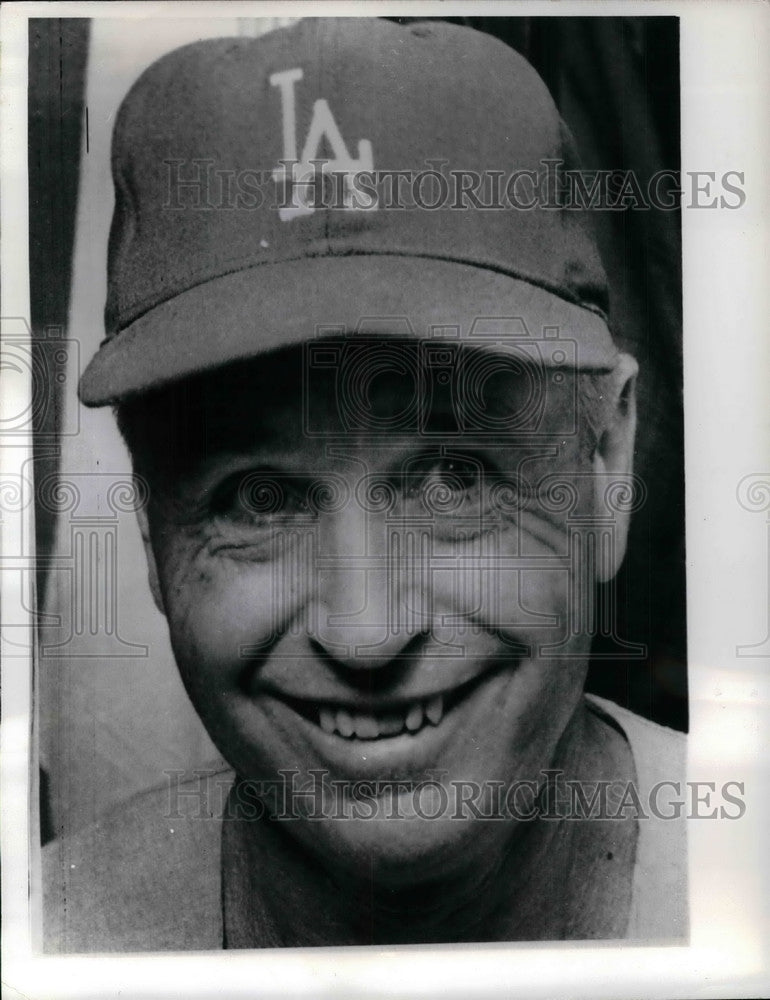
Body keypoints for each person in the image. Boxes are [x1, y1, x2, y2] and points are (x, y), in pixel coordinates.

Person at [44, 16, 686, 950]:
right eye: (258, 498)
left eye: (457, 477)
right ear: (150, 529)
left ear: (608, 467)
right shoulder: (48, 938)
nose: (367, 630)